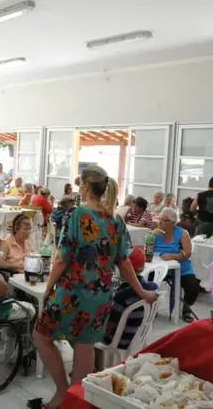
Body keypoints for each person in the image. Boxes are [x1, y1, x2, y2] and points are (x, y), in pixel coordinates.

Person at [34, 165, 157, 409]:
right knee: (85, 344)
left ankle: (61, 391)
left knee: (40, 336)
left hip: (71, 292)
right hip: (101, 295)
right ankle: (75, 401)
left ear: (87, 187)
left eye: (81, 184)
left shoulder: (77, 215)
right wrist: (141, 291)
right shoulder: (115, 219)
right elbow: (124, 262)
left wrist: (48, 287)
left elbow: (62, 257)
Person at [101, 246, 159, 350]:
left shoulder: (121, 297)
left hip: (119, 341)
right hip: (138, 338)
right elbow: (154, 286)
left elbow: (109, 327)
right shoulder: (151, 289)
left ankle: (95, 365)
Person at [154, 207, 198, 323]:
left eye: (164, 220)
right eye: (160, 219)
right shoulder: (155, 232)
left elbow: (187, 253)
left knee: (192, 286)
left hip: (181, 266)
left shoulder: (182, 233)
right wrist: (151, 236)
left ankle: (186, 309)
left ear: (173, 223)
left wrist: (172, 256)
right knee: (146, 282)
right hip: (158, 267)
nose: (160, 222)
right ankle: (151, 308)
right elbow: (146, 252)